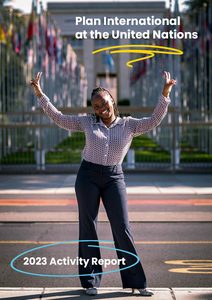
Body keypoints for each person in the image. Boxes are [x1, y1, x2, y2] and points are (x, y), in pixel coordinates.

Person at [30, 71, 176, 296]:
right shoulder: (87, 123)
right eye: (96, 106)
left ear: (112, 101)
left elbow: (154, 120)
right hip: (87, 176)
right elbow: (58, 117)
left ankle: (136, 282)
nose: (101, 109)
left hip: (114, 177)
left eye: (104, 103)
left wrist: (165, 93)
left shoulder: (129, 125)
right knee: (88, 228)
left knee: (122, 228)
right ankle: (90, 282)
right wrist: (40, 94)